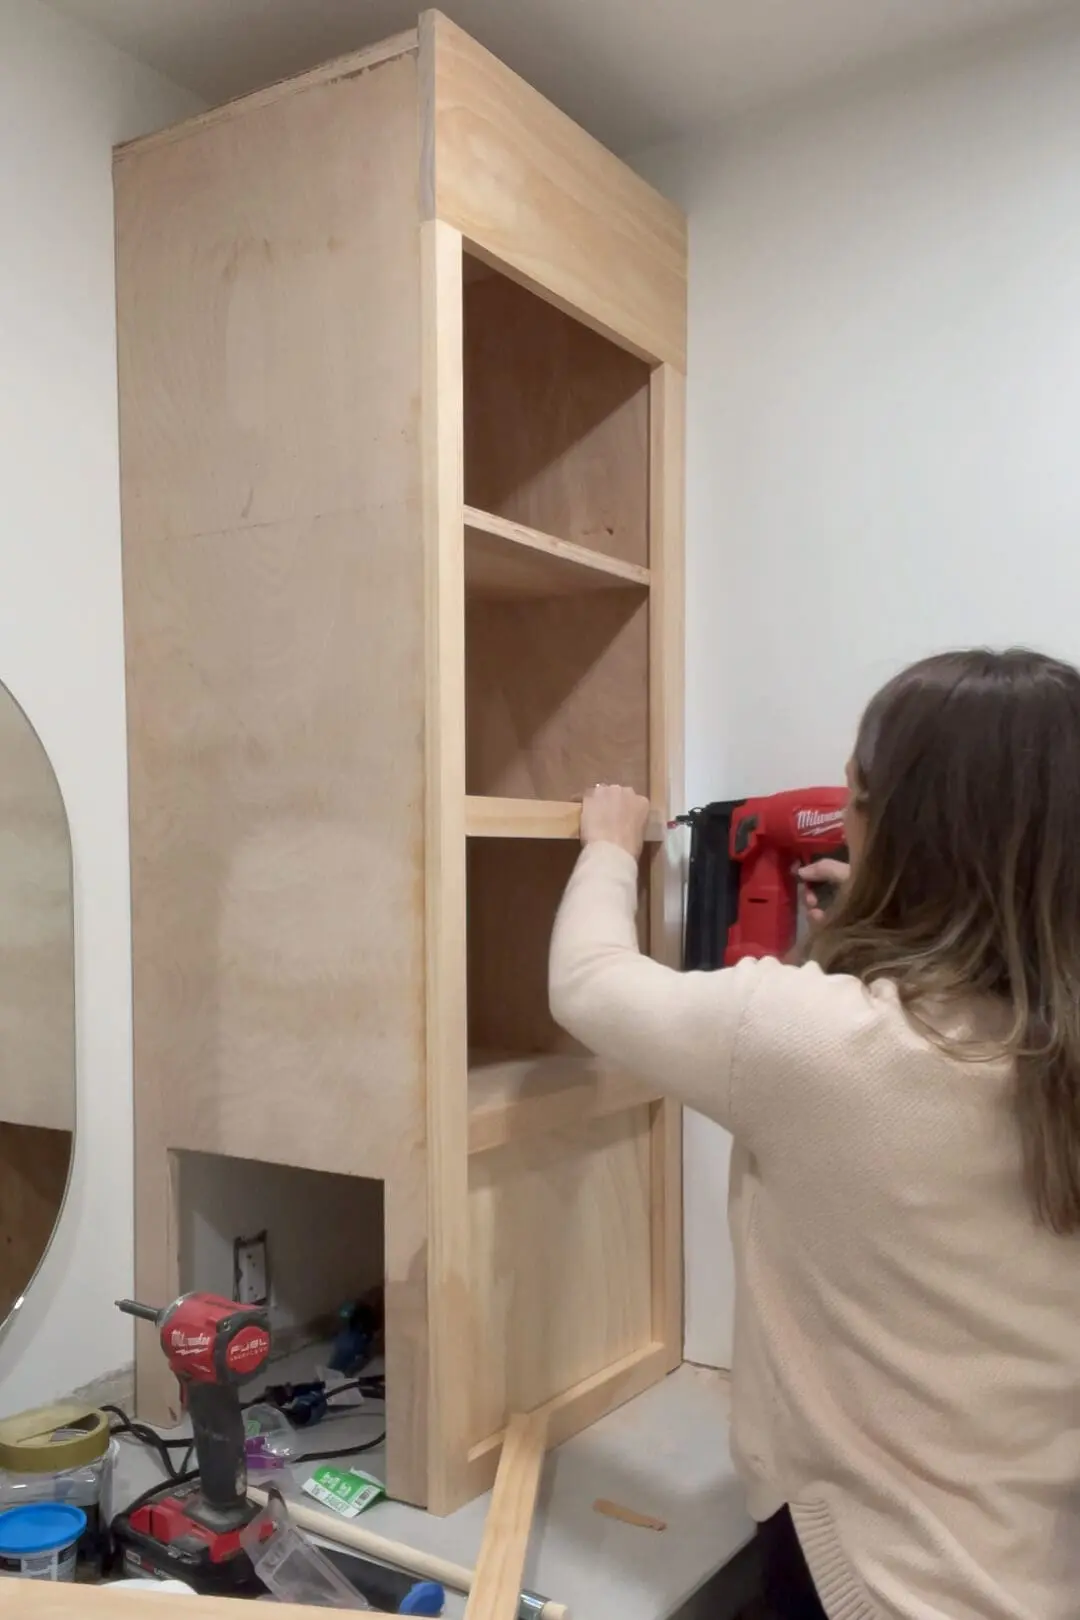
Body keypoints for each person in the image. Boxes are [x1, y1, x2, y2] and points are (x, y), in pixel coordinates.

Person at [548, 648, 1080, 1620]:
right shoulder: (1046, 1052)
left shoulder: (810, 1041)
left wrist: (610, 845)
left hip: (872, 1585)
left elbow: (586, 984)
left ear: (892, 824)